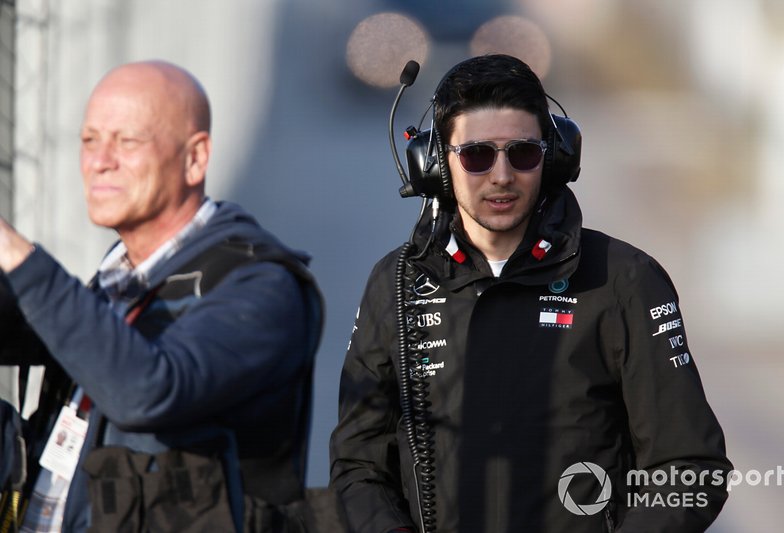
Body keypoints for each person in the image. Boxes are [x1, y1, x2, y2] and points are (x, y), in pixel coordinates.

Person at [330, 54, 732, 532]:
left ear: (554, 157)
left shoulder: (624, 280)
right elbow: (357, 466)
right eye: (477, 155)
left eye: (522, 153)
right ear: (436, 165)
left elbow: (691, 467)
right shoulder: (394, 283)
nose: (501, 176)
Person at [0, 60, 323, 532]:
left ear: (194, 158)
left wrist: (16, 253)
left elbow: (149, 389)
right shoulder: (120, 277)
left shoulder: (264, 288)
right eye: (89, 140)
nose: (99, 160)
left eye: (126, 141)